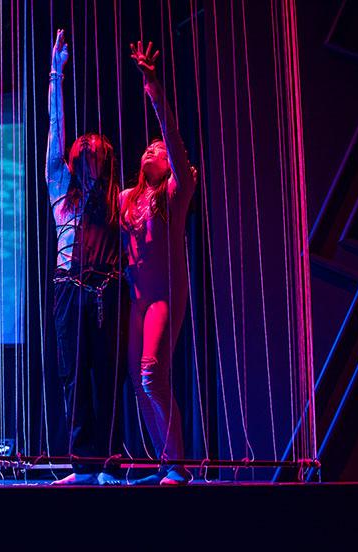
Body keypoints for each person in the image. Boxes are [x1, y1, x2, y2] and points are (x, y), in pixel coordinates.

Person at [47, 29, 125, 486]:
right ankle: (81, 464)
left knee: (108, 377)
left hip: (105, 290)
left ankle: (110, 464)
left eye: (97, 152)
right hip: (67, 290)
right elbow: (56, 131)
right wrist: (56, 74)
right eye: (85, 151)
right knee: (74, 376)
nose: (89, 154)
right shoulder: (61, 191)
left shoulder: (119, 200)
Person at [120, 41, 199, 485]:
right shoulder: (128, 199)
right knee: (138, 381)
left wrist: (153, 88)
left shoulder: (175, 192)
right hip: (135, 299)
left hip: (164, 295)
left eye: (159, 149)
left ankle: (177, 465)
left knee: (152, 375)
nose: (152, 151)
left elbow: (172, 136)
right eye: (146, 149)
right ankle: (165, 463)